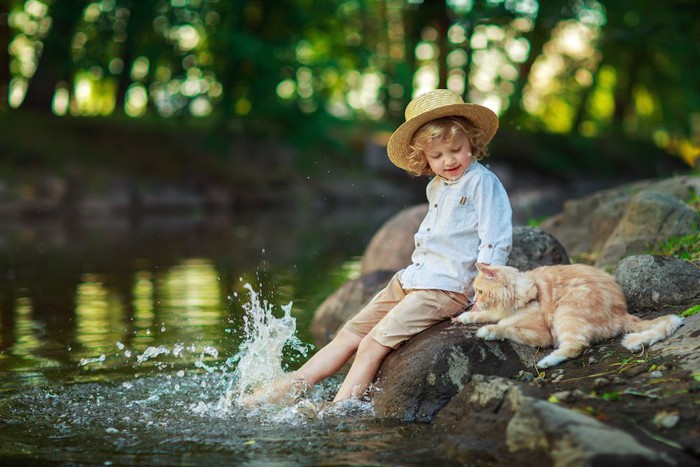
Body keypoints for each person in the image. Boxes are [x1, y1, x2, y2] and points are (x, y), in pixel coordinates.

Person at [247, 89, 512, 405]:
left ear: (471, 142)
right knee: (347, 335)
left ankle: (336, 411)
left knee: (371, 345)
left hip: (445, 289)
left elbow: (495, 240)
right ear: (424, 158)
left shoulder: (482, 182)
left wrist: (483, 297)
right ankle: (287, 388)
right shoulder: (437, 186)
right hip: (410, 281)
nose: (448, 160)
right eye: (437, 156)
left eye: (455, 149)